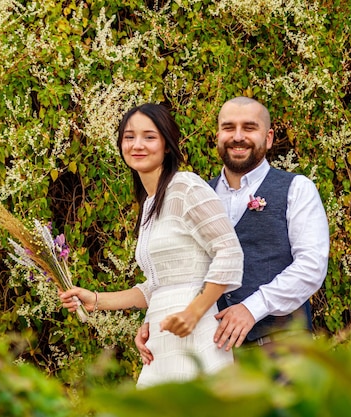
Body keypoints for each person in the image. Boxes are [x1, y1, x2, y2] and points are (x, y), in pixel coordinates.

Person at [59, 103, 243, 388]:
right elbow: (157, 286)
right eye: (129, 137)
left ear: (167, 145)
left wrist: (194, 312)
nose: (137, 145)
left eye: (149, 136)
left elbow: (229, 251)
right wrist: (95, 300)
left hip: (196, 333)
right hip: (160, 340)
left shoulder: (186, 186)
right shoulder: (149, 205)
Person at [135, 97, 329, 363]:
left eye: (249, 128)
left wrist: (252, 308)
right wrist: (155, 319)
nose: (238, 136)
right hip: (212, 354)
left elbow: (311, 266)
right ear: (218, 136)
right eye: (229, 128)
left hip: (281, 349)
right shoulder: (196, 193)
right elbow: (180, 273)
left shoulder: (297, 189)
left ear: (269, 137)